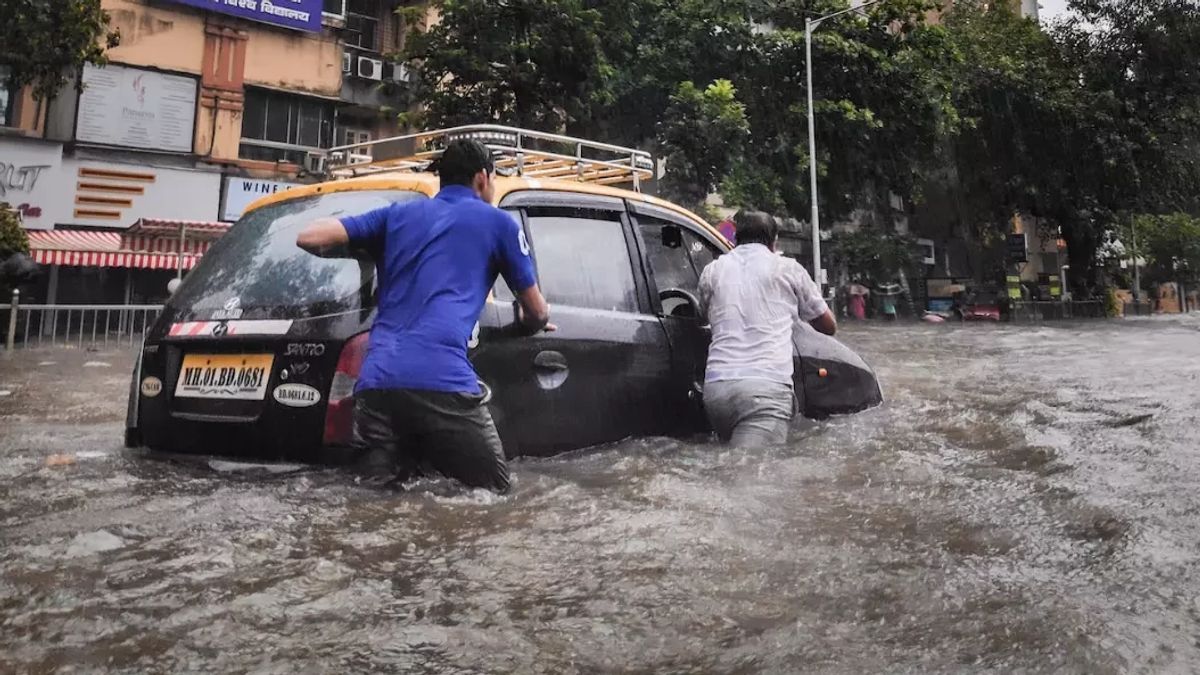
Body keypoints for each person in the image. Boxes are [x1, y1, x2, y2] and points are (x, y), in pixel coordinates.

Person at [296, 139, 552, 493]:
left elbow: (308, 237)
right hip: (443, 382)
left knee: (375, 500)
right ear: (482, 178)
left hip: (376, 385)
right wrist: (530, 324)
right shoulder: (499, 224)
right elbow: (536, 311)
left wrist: (365, 243)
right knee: (495, 496)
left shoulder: (395, 216)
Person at [698, 210, 837, 448]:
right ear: (774, 243)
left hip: (716, 390)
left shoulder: (713, 271)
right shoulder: (787, 269)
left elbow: (702, 314)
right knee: (752, 476)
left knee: (730, 468)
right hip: (764, 393)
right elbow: (827, 326)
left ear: (735, 239)